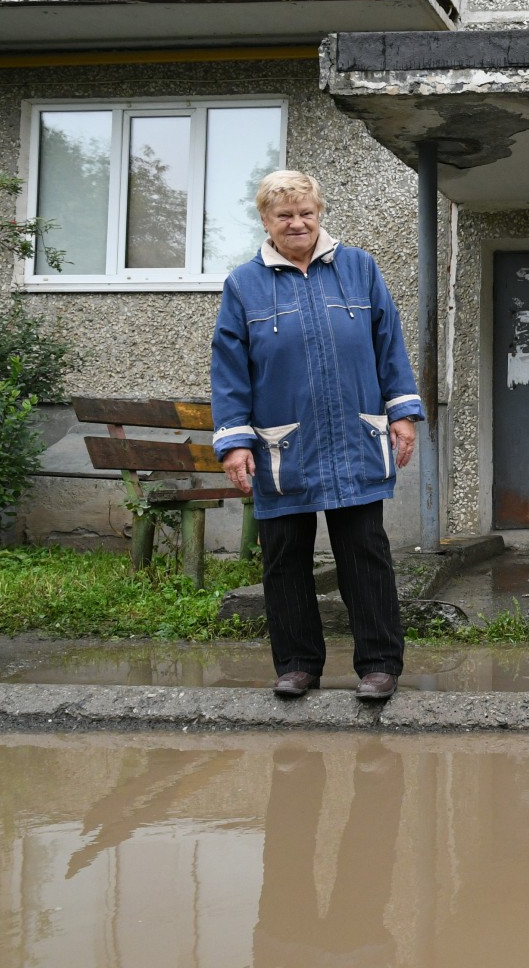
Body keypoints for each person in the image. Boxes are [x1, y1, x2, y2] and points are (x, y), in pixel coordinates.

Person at [212, 170, 424, 702]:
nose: (297, 223)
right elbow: (230, 370)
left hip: (353, 439)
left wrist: (402, 412)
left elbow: (388, 343)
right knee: (284, 559)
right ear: (266, 221)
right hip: (284, 446)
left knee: (365, 555)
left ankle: (378, 665)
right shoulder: (245, 284)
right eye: (284, 215)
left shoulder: (359, 268)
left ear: (319, 213)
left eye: (305, 212)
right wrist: (235, 442)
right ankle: (298, 665)